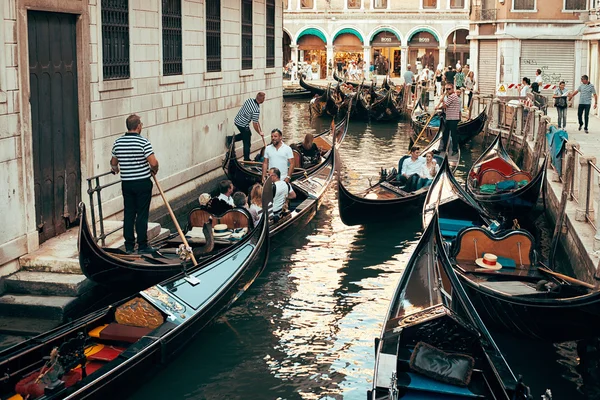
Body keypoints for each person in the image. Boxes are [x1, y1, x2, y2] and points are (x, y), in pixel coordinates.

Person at [110, 114, 159, 254]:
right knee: (142, 215)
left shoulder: (118, 142)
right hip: (142, 183)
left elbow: (113, 163)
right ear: (138, 126)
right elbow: (153, 162)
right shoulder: (143, 142)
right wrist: (154, 170)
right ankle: (143, 245)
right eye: (141, 124)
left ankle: (129, 246)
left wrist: (116, 169)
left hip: (127, 184)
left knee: (129, 214)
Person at [231, 92, 265, 161]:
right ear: (262, 99)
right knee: (247, 142)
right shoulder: (256, 110)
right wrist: (260, 132)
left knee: (247, 135)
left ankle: (230, 139)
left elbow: (249, 113)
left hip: (237, 120)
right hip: (243, 124)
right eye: (264, 98)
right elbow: (255, 124)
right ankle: (246, 159)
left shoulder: (249, 100)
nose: (264, 99)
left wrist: (254, 118)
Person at [439, 83, 461, 156]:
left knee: (453, 134)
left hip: (453, 119)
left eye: (449, 89)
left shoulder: (452, 96)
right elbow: (447, 104)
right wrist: (442, 101)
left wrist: (437, 107)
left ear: (452, 89)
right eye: (446, 89)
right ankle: (444, 147)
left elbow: (445, 106)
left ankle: (455, 150)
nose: (447, 90)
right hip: (450, 118)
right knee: (445, 133)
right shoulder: (452, 96)